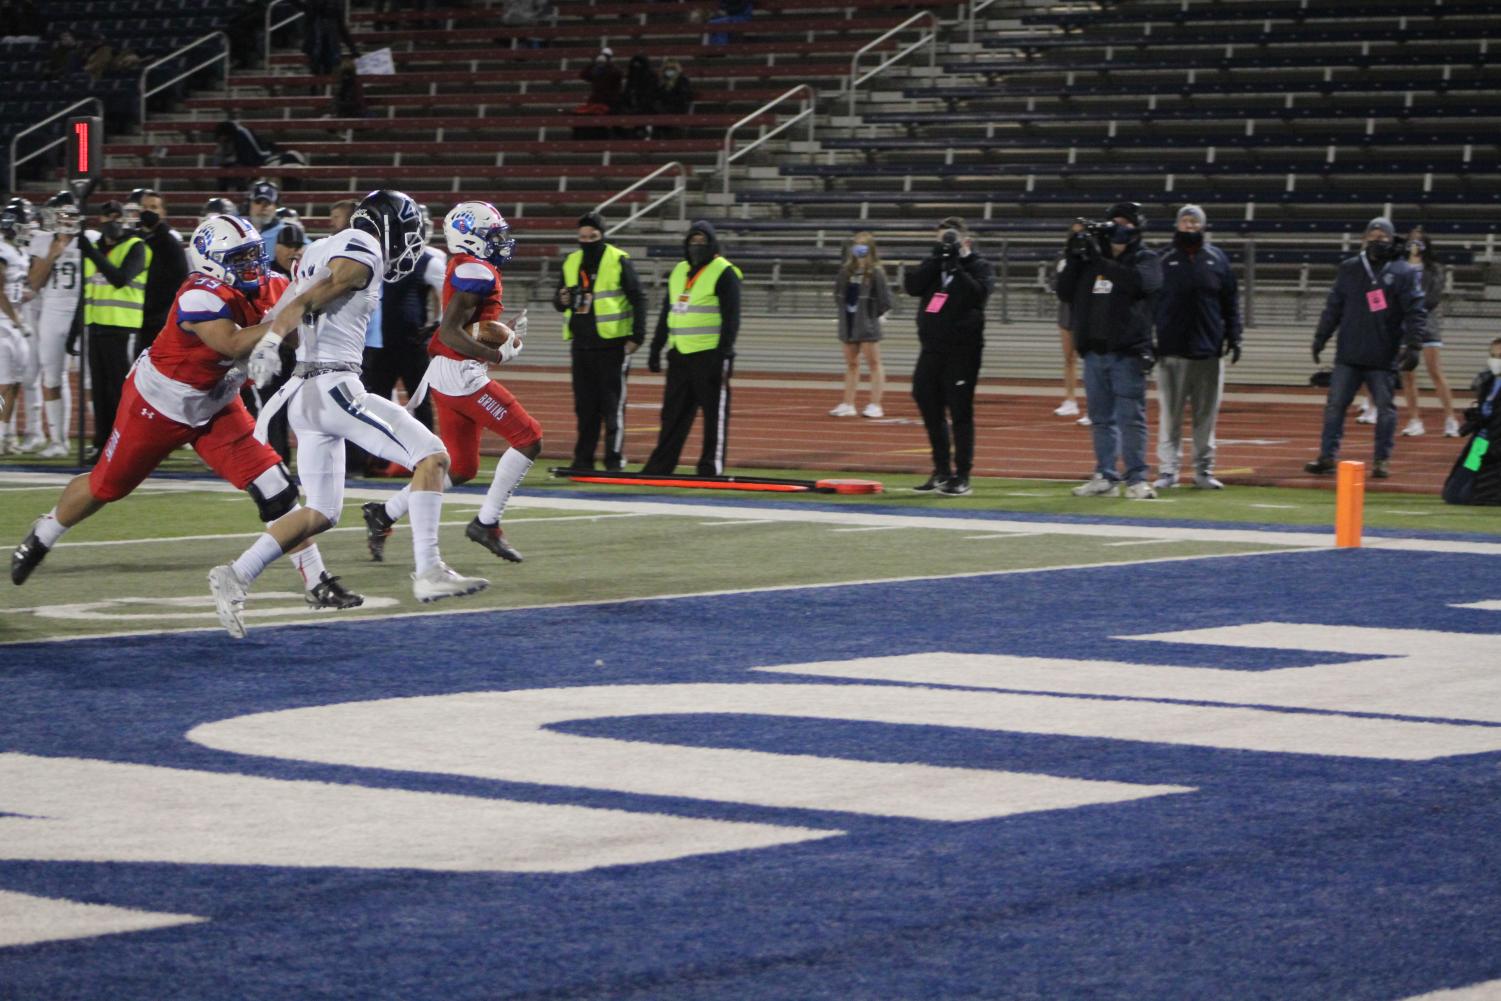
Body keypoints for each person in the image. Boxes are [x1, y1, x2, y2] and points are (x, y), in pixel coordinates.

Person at [10, 214, 361, 613]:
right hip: (159, 405)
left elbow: (297, 318)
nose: (252, 266)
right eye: (240, 257)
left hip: (217, 402)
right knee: (107, 487)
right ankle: (45, 531)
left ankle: (316, 580)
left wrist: (316, 301)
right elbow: (230, 343)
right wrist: (284, 322)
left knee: (276, 488)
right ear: (211, 261)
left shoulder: (272, 286)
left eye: (253, 255)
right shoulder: (200, 294)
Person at [210, 189, 488, 638]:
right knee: (433, 455)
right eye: (408, 231)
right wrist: (267, 342)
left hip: (307, 391)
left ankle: (236, 574)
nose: (409, 243)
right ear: (387, 226)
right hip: (333, 386)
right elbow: (308, 302)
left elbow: (290, 307)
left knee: (321, 511)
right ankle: (429, 569)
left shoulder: (320, 247)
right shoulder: (365, 248)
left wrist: (271, 341)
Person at [361, 200, 543, 564]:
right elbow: (450, 332)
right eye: (492, 236)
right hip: (461, 374)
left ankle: (384, 514)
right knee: (529, 437)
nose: (500, 241)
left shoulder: (471, 266)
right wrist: (497, 353)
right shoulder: (475, 271)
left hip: (448, 372)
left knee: (461, 467)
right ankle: (486, 523)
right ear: (471, 238)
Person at [1305, 217, 1427, 480]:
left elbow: (1415, 310)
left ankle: (1381, 459)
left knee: (1385, 409)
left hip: (1382, 355)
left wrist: (1414, 344)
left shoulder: (1402, 271)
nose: (1377, 240)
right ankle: (1327, 456)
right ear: (1363, 239)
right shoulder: (1350, 268)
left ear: (1392, 239)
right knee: (1335, 406)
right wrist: (1320, 336)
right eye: (1372, 236)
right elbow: (1333, 306)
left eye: (1383, 237)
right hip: (1349, 352)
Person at [1058, 201, 1164, 500]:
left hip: (1128, 353)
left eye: (1125, 222)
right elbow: (1064, 291)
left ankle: (1136, 478)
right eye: (1114, 221)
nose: (1118, 227)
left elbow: (1141, 283)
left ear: (1137, 227)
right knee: (1101, 419)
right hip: (1094, 352)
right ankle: (1105, 475)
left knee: (1131, 418)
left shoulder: (1146, 258)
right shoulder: (1091, 260)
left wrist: (1101, 262)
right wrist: (1073, 254)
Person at [642, 221, 742, 476]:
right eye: (692, 241)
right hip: (680, 355)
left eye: (702, 241)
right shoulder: (678, 271)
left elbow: (732, 317)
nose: (697, 246)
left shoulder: (724, 272)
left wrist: (724, 352)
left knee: (714, 416)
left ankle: (710, 466)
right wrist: (656, 347)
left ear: (712, 244)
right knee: (672, 415)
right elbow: (668, 312)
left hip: (710, 354)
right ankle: (661, 465)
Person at [1153, 204, 1242, 490]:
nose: (1189, 226)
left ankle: (1203, 471)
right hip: (1171, 351)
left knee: (1205, 418)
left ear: (1203, 226)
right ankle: (1168, 471)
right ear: (1177, 225)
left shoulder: (1217, 260)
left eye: (1194, 222)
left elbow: (1230, 304)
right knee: (1170, 417)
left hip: (1208, 351)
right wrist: (1149, 340)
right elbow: (1148, 304)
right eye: (1184, 221)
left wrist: (1235, 336)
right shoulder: (1163, 260)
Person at [903, 217, 993, 496]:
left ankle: (962, 474)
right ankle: (941, 470)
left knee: (960, 411)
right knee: (926, 399)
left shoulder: (979, 265)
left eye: (950, 238)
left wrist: (958, 266)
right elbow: (913, 286)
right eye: (941, 238)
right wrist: (936, 261)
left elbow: (977, 296)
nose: (946, 243)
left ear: (966, 240)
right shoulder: (935, 264)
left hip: (963, 350)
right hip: (931, 347)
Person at [554, 212, 647, 470]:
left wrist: (637, 337)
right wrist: (560, 301)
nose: (586, 241)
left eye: (592, 237)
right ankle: (583, 460)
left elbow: (638, 298)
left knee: (612, 407)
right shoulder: (572, 261)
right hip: (581, 345)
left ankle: (613, 460)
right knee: (585, 408)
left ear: (602, 236)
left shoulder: (618, 260)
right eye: (582, 237)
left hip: (612, 345)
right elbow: (560, 299)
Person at [79, 201, 151, 461]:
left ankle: (127, 443)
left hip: (124, 326)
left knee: (120, 390)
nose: (113, 220)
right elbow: (86, 290)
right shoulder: (95, 247)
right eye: (108, 216)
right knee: (99, 390)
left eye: (117, 216)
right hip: (96, 325)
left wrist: (90, 253)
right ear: (101, 219)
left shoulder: (136, 247)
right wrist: (75, 329)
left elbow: (120, 279)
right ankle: (102, 443)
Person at [25, 191, 82, 457]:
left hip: (83, 312)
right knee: (51, 377)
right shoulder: (42, 242)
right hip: (52, 312)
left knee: (94, 380)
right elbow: (33, 285)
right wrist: (52, 255)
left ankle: (107, 438)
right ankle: (58, 441)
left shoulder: (89, 240)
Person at [1398, 226, 1459, 438]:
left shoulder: (1434, 269)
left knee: (1435, 371)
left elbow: (1433, 297)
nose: (1414, 243)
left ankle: (1450, 418)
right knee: (1407, 373)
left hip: (1426, 321)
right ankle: (1415, 419)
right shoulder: (1398, 267)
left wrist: (1413, 307)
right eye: (1411, 239)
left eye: (1419, 240)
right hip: (1403, 324)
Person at [829, 230, 890, 419]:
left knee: (873, 363)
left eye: (863, 245)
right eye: (856, 244)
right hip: (848, 321)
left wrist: (874, 316)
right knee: (851, 363)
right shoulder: (846, 271)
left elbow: (884, 300)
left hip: (866, 322)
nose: (859, 249)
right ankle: (848, 403)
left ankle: (875, 404)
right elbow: (837, 294)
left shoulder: (876, 272)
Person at [126, 188, 189, 356]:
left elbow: (180, 284)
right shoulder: (133, 239)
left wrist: (157, 311)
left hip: (158, 321)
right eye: (145, 207)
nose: (148, 211)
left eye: (154, 207)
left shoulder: (171, 244)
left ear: (163, 212)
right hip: (132, 316)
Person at [1442, 338, 1501, 505]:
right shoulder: (1489, 380)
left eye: (1500, 356)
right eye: (1493, 355)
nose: (1496, 360)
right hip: (1480, 443)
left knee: (1470, 495)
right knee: (1453, 494)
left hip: (1495, 448)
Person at [0, 200, 37, 456]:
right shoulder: (3, 250)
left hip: (14, 322)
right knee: (2, 385)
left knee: (13, 384)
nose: (29, 227)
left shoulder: (20, 252)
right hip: (3, 323)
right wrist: (15, 319)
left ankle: (4, 435)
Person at [1049, 251, 1086, 424]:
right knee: (1069, 358)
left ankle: (1095, 407)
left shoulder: (1095, 258)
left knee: (1093, 361)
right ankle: (1070, 400)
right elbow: (1054, 282)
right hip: (1067, 311)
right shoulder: (1062, 258)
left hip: (1088, 311)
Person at [246, 180, 284, 249]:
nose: (262, 207)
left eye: (268, 203)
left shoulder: (286, 232)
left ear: (276, 206)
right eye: (258, 202)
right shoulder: (238, 229)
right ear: (249, 205)